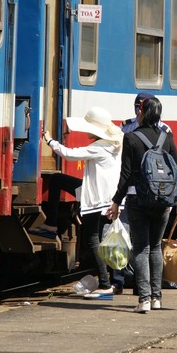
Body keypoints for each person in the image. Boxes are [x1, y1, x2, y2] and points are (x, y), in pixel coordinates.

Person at [107, 97, 177, 313]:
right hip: (163, 200)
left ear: (141, 112)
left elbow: (125, 175)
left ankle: (144, 300)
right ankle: (157, 298)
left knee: (141, 248)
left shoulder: (131, 137)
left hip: (138, 200)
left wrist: (116, 202)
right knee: (155, 247)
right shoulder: (167, 137)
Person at [43, 107, 125, 298]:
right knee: (57, 179)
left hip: (97, 199)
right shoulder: (116, 142)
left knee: (93, 239)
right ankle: (114, 283)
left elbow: (69, 154)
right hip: (107, 196)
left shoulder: (100, 146)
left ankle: (105, 285)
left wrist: (49, 140)